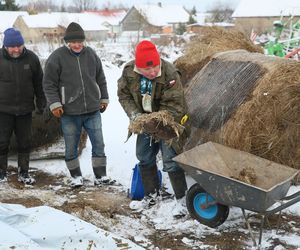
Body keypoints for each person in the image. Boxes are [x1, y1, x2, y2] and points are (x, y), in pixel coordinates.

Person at [117, 40, 189, 216]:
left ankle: (182, 200)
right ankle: (151, 196)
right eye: (147, 70)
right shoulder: (129, 72)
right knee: (144, 157)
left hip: (167, 122)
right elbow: (124, 95)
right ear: (138, 68)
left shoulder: (170, 73)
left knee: (171, 160)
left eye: (155, 67)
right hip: (144, 121)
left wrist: (157, 121)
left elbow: (175, 105)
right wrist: (136, 116)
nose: (152, 72)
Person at [43, 22, 112, 187]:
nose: (76, 45)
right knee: (71, 145)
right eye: (73, 42)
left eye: (79, 41)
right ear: (67, 42)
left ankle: (100, 176)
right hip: (69, 111)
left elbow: (100, 78)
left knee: (98, 143)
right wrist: (54, 104)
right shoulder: (57, 57)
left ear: (84, 41)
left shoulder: (91, 55)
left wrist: (103, 98)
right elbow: (48, 83)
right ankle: (75, 177)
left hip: (92, 110)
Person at [0, 28, 46, 184]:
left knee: (24, 142)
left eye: (19, 45)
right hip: (3, 110)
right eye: (12, 46)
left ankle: (24, 172)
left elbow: (39, 82)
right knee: (2, 142)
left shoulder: (31, 58)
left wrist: (41, 101)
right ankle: (1, 172)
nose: (16, 49)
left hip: (25, 109)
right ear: (5, 46)